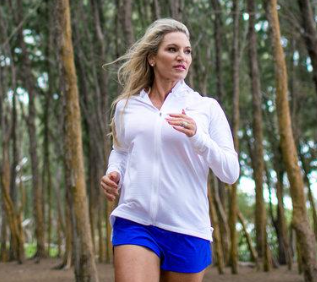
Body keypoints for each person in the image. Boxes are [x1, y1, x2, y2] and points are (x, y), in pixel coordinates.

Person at [100, 19, 239, 282]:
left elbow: (230, 172)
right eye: (172, 49)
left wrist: (198, 137)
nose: (181, 57)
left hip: (187, 226)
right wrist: (114, 172)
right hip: (135, 219)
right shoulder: (126, 107)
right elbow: (121, 150)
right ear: (152, 57)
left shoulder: (205, 108)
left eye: (187, 51)